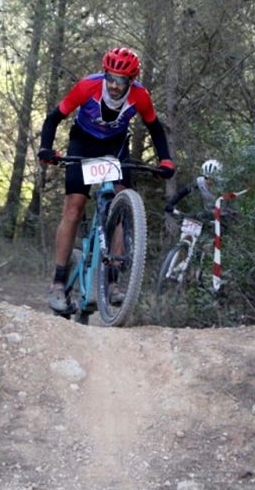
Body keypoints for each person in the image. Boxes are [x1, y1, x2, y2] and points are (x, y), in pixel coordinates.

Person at [37, 47, 175, 311]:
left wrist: (166, 159)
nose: (114, 85)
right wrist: (46, 149)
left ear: (131, 81)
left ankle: (113, 282)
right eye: (110, 77)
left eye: (121, 80)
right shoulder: (87, 87)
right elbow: (54, 118)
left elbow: (154, 127)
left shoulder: (140, 96)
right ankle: (57, 281)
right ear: (105, 73)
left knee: (121, 207)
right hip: (83, 145)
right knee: (74, 207)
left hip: (114, 149)